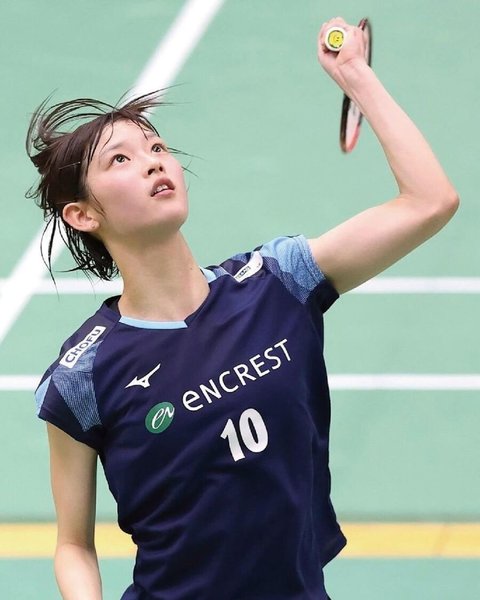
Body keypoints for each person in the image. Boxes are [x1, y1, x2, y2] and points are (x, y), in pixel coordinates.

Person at [28, 18, 458, 600]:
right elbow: (73, 545)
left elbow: (430, 201)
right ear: (83, 214)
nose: (154, 161)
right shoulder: (85, 374)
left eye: (157, 147)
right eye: (121, 160)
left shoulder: (278, 282)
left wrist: (356, 76)